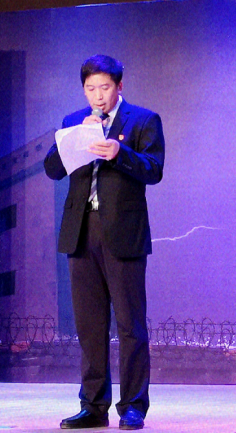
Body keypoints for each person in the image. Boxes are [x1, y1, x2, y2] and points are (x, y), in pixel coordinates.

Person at [44, 54, 165, 430]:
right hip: (81, 231)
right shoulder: (73, 121)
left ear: (119, 86)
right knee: (90, 326)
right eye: (90, 88)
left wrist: (120, 153)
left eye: (105, 87)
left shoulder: (143, 120)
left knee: (130, 324)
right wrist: (73, 139)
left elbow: (154, 170)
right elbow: (52, 169)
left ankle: (133, 407)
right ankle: (93, 406)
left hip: (123, 233)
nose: (98, 95)